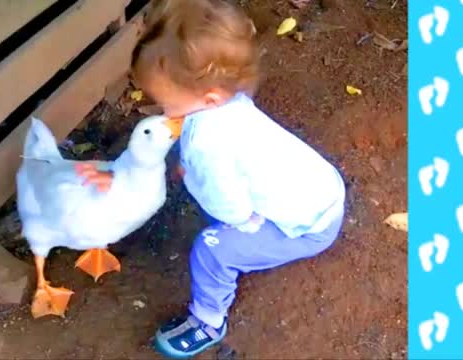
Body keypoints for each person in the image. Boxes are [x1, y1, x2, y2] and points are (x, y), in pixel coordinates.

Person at [77, 0, 346, 358]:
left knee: (211, 249)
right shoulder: (233, 101)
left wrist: (239, 218)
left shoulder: (206, 145)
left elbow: (227, 204)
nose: (163, 109)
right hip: (324, 189)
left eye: (166, 102)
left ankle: (208, 320)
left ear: (208, 97)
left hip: (306, 227)